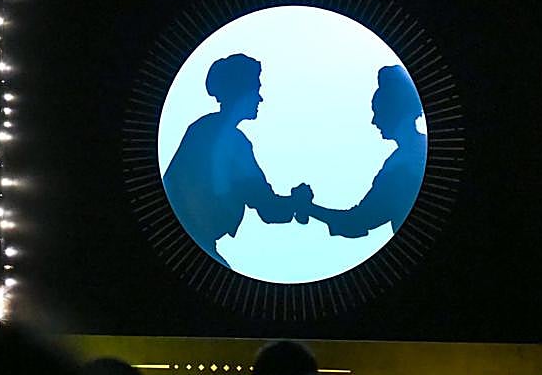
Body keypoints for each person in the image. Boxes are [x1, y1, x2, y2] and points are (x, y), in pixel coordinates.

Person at [162, 53, 310, 266]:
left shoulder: (204, 129)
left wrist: (294, 203)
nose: (260, 98)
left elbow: (266, 204)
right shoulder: (231, 141)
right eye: (257, 89)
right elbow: (268, 207)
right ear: (242, 91)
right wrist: (298, 201)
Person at [297, 65, 426, 237]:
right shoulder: (413, 155)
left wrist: (307, 208)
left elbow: (358, 221)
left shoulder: (399, 166)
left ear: (392, 110)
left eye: (377, 111)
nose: (374, 121)